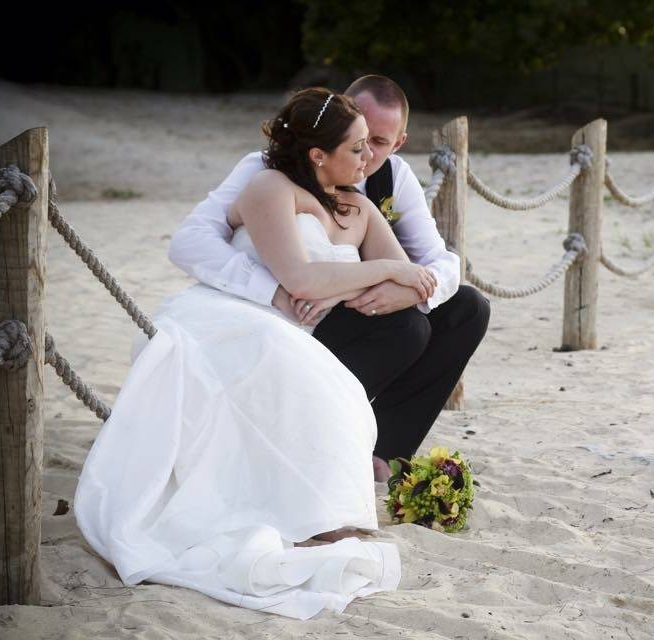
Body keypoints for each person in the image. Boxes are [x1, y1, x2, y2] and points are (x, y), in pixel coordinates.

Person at [75, 89, 420, 619]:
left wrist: (382, 276)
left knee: (335, 384)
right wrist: (379, 270)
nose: (368, 160)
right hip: (230, 316)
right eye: (356, 148)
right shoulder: (269, 188)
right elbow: (301, 278)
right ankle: (300, 511)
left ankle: (319, 510)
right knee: (313, 377)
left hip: (291, 331)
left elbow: (413, 276)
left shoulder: (362, 207)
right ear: (317, 155)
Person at [168, 76, 490, 477]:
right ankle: (315, 437)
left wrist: (408, 291)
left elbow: (439, 263)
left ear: (398, 143)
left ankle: (383, 452)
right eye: (358, 139)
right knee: (406, 330)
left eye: (378, 143)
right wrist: (273, 290)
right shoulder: (265, 172)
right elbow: (190, 241)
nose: (366, 153)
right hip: (282, 314)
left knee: (468, 309)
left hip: (346, 302)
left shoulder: (384, 185)